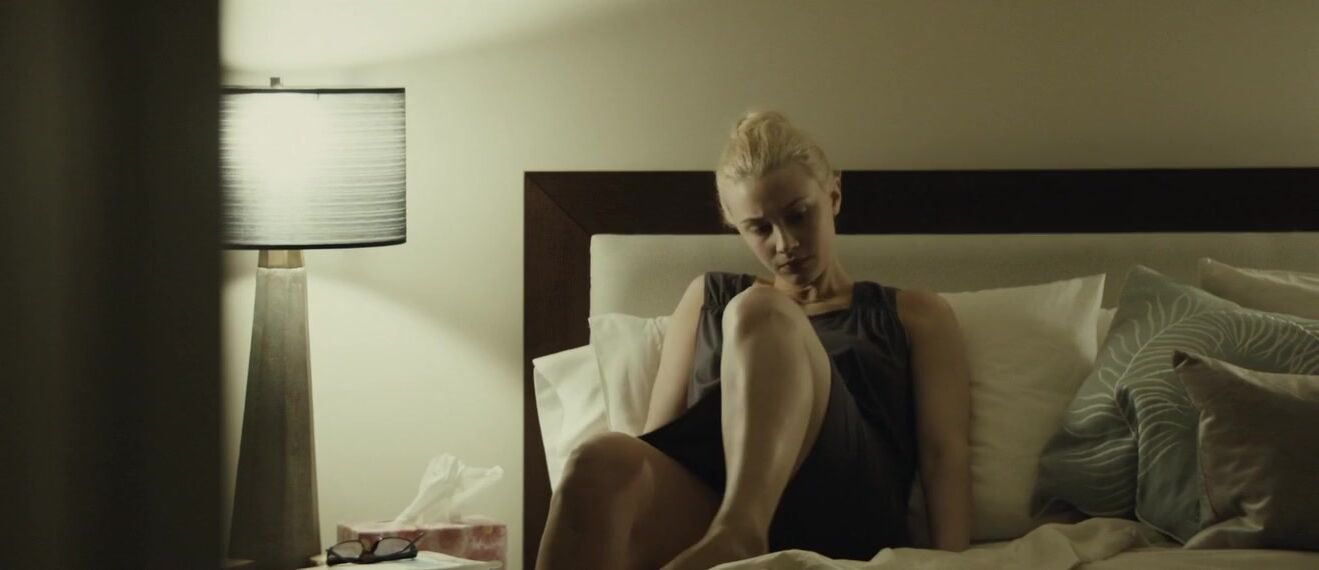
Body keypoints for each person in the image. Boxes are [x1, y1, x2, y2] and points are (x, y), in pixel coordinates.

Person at [537, 111, 972, 570]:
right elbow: (658, 447)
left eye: (798, 216)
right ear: (735, 225)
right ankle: (731, 531)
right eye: (760, 228)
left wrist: (954, 564)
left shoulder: (914, 314)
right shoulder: (707, 298)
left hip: (843, 512)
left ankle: (741, 532)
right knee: (599, 460)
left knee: (761, 311)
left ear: (834, 194)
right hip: (709, 511)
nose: (785, 244)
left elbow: (944, 456)